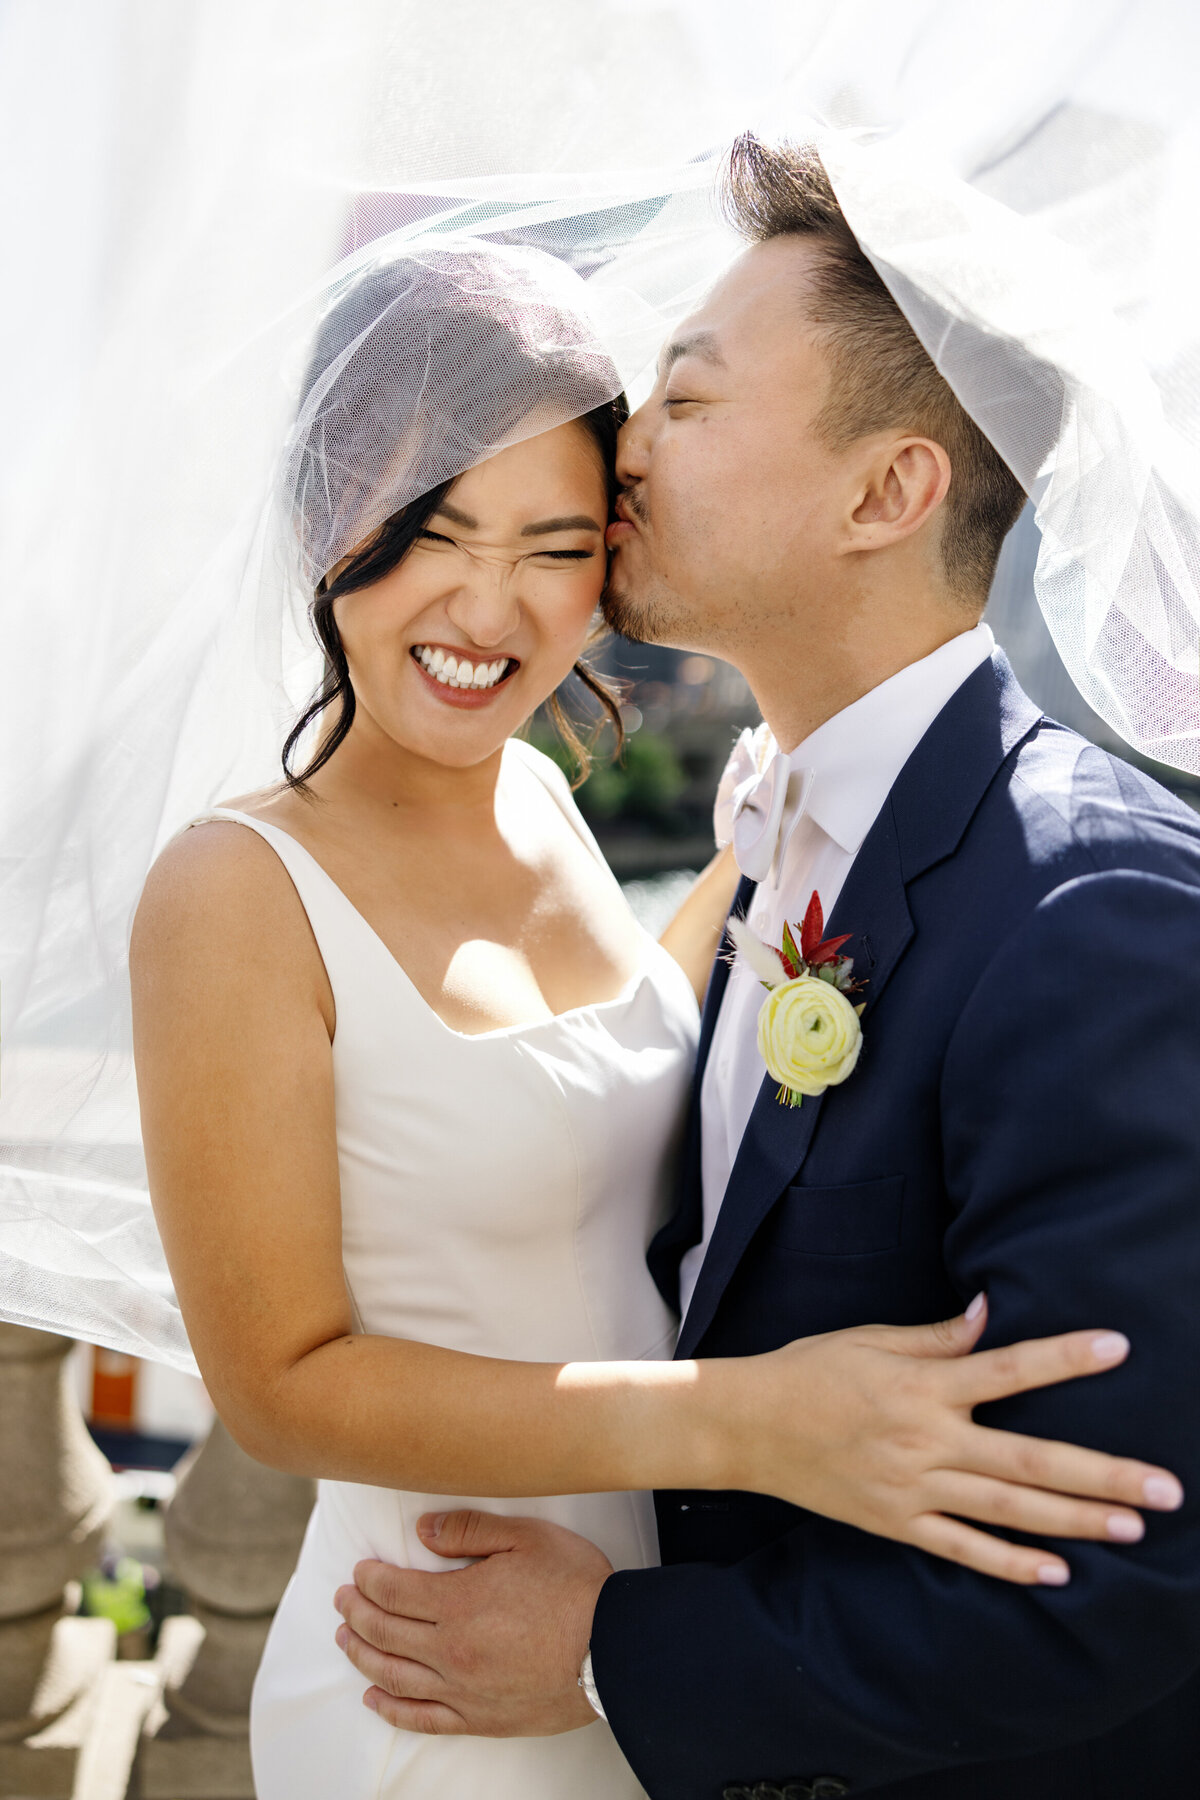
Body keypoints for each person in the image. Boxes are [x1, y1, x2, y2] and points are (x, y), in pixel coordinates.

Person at [132, 240, 1178, 1800]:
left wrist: (773, 849)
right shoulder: (235, 887)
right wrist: (751, 1427)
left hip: (651, 1663)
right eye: (433, 528)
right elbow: (281, 1380)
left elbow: (598, 1062)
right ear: (323, 517)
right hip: (444, 1644)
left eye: (560, 540)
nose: (493, 597)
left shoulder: (572, 808)